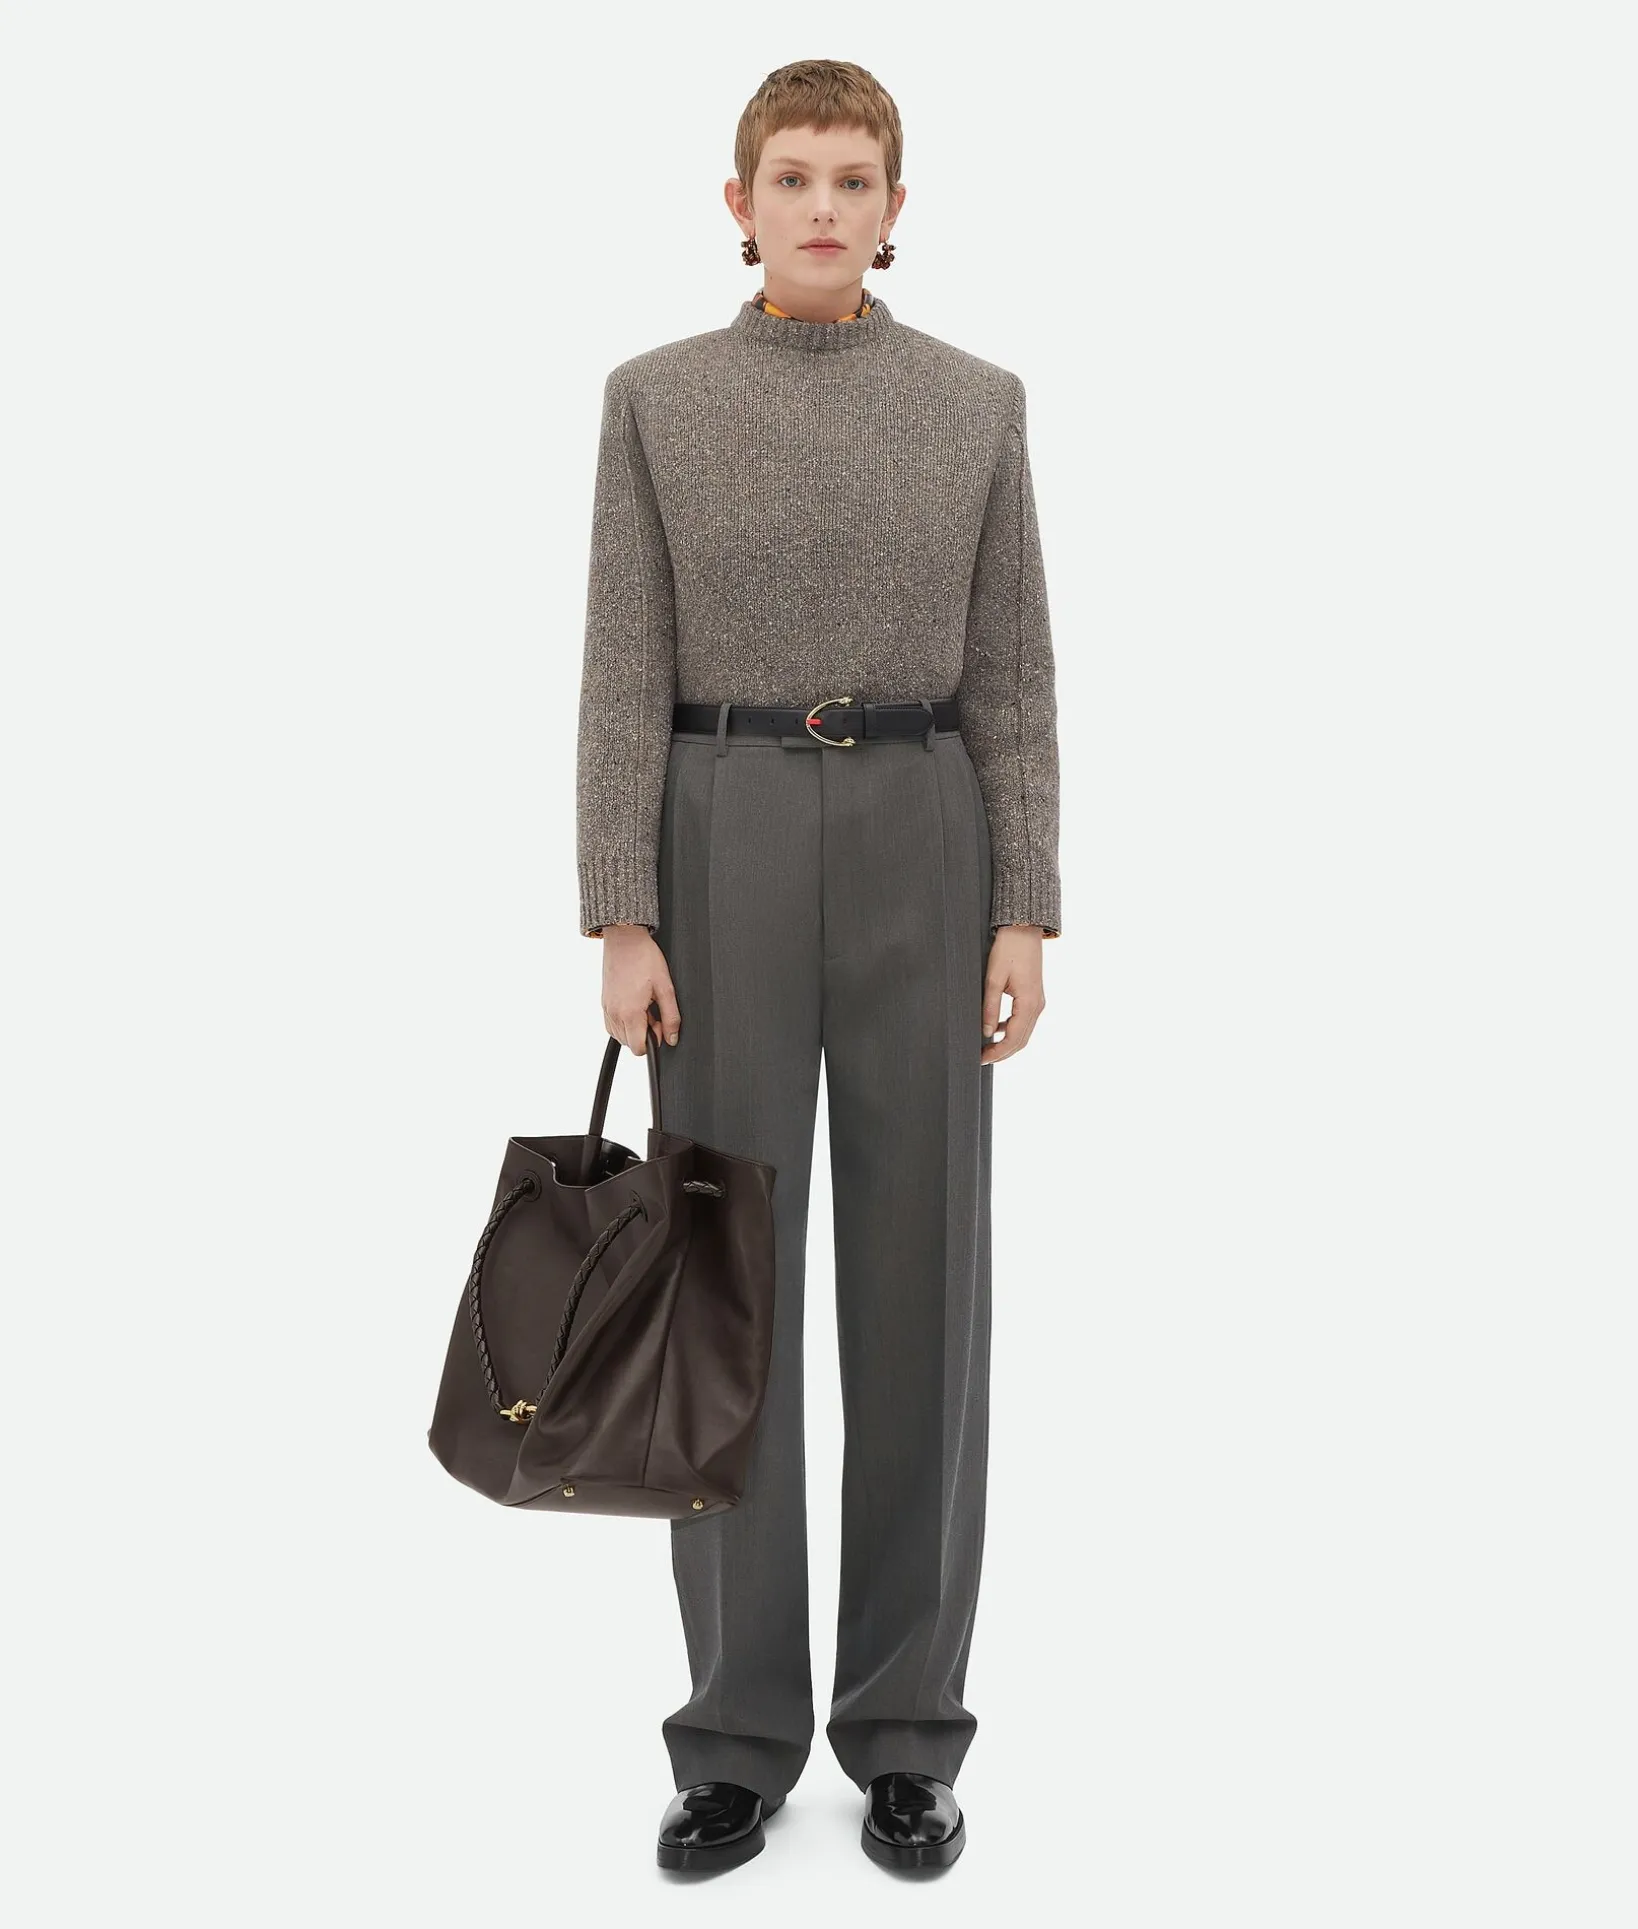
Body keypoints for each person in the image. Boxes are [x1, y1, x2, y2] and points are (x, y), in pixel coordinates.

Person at [573, 57, 1062, 1874]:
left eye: (854, 180)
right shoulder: (655, 402)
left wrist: (1026, 903)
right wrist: (619, 907)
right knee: (723, 1284)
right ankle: (735, 1733)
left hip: (927, 827)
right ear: (739, 203)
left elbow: (1011, 669)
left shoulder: (975, 405)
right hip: (721, 830)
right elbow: (622, 666)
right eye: (792, 177)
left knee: (923, 1282)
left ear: (895, 207)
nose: (823, 208)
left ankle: (909, 1729)